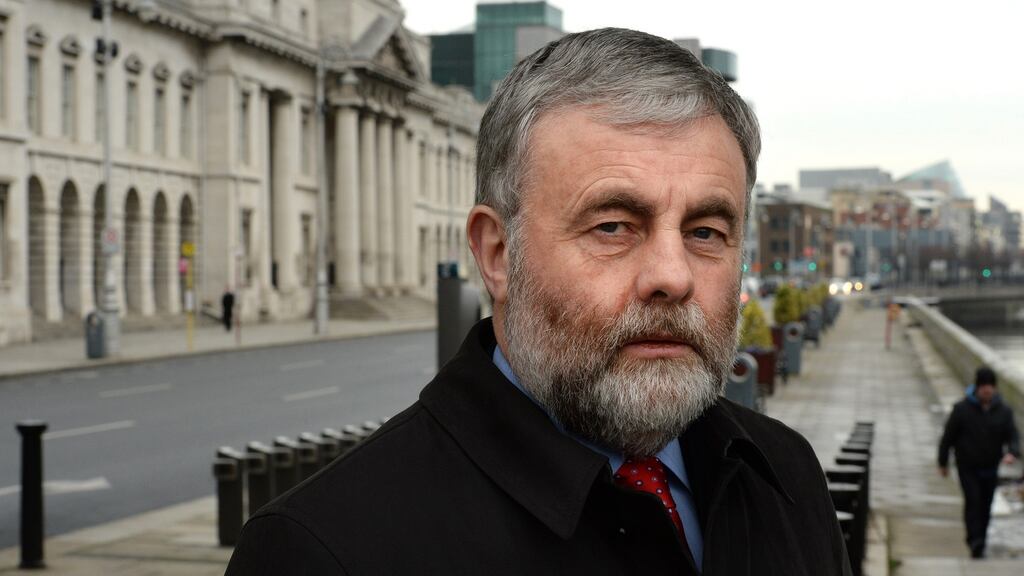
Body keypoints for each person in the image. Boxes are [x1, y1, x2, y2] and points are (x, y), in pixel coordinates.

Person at [226, 28, 851, 575]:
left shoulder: (787, 473)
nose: (673, 275)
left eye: (706, 233)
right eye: (612, 226)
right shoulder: (324, 550)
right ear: (497, 254)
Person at [938, 367, 1020, 559]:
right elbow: (947, 438)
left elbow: (1013, 436)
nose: (987, 390)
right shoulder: (961, 410)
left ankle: (981, 539)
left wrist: (1012, 453)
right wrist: (942, 462)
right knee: (973, 502)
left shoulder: (1004, 411)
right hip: (967, 467)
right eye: (983, 386)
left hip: (991, 467)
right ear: (977, 387)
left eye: (990, 387)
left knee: (986, 504)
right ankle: (974, 540)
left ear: (994, 388)